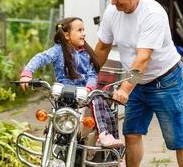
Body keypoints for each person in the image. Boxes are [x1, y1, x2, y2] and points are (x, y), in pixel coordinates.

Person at [94, 0, 183, 167]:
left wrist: (124, 90)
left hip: (164, 81)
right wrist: (89, 75)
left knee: (178, 140)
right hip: (137, 82)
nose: (113, 2)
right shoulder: (112, 10)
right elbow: (102, 46)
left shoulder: (153, 14)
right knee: (131, 134)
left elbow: (143, 58)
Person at [19, 17, 123, 148]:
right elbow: (41, 58)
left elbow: (92, 74)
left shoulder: (87, 54)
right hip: (64, 96)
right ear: (67, 35)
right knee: (54, 116)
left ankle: (103, 135)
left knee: (98, 99)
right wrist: (27, 73)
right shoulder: (57, 50)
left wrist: (89, 88)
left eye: (84, 30)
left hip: (84, 95)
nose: (84, 33)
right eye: (80, 30)